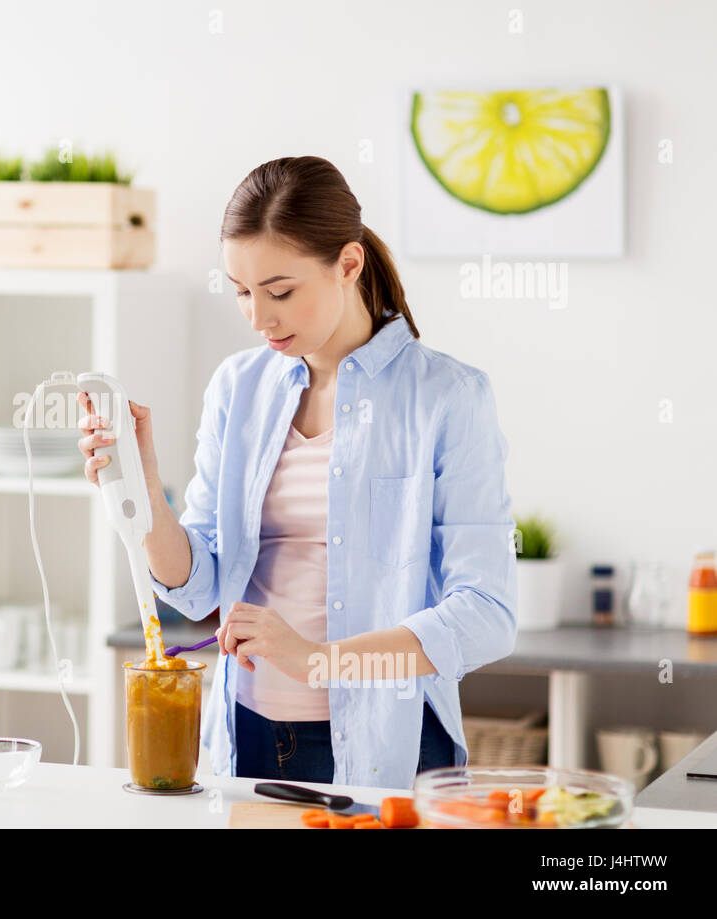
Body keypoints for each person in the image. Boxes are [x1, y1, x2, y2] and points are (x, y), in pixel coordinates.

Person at [77, 155, 516, 791]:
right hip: (247, 731)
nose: (258, 318)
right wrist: (143, 489)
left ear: (348, 264)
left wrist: (318, 661)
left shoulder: (447, 397)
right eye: (241, 292)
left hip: (387, 742)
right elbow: (197, 588)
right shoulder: (238, 387)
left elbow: (486, 614)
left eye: (280, 291)